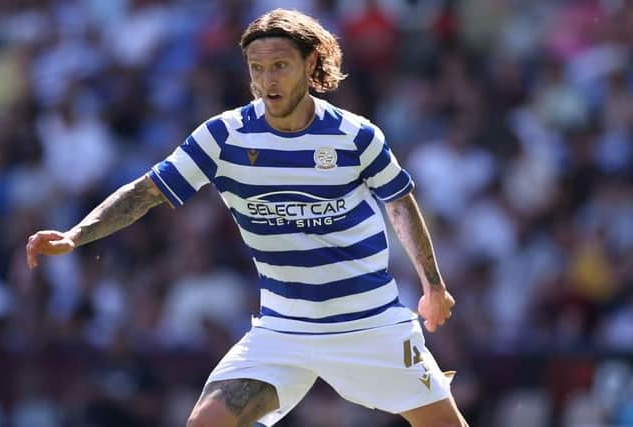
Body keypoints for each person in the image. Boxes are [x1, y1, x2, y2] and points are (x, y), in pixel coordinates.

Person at [26, 9, 468, 427]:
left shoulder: (356, 136)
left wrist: (433, 286)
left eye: (280, 66)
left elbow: (399, 203)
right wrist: (76, 235)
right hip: (283, 329)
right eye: (257, 69)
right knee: (205, 423)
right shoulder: (224, 137)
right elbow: (146, 193)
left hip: (369, 325)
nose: (266, 80)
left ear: (310, 62)